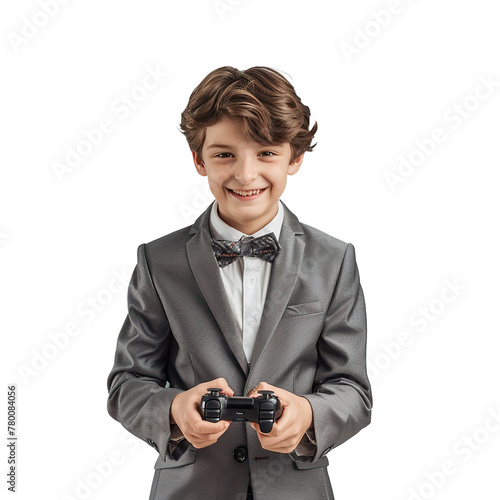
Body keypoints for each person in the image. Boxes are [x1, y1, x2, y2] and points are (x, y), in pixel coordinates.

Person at [107, 65, 372, 500]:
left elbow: (353, 390)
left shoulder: (335, 260)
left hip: (296, 487)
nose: (246, 175)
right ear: (198, 159)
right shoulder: (159, 261)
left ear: (295, 157)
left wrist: (307, 413)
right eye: (225, 154)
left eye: (266, 152)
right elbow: (128, 383)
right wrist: (174, 409)